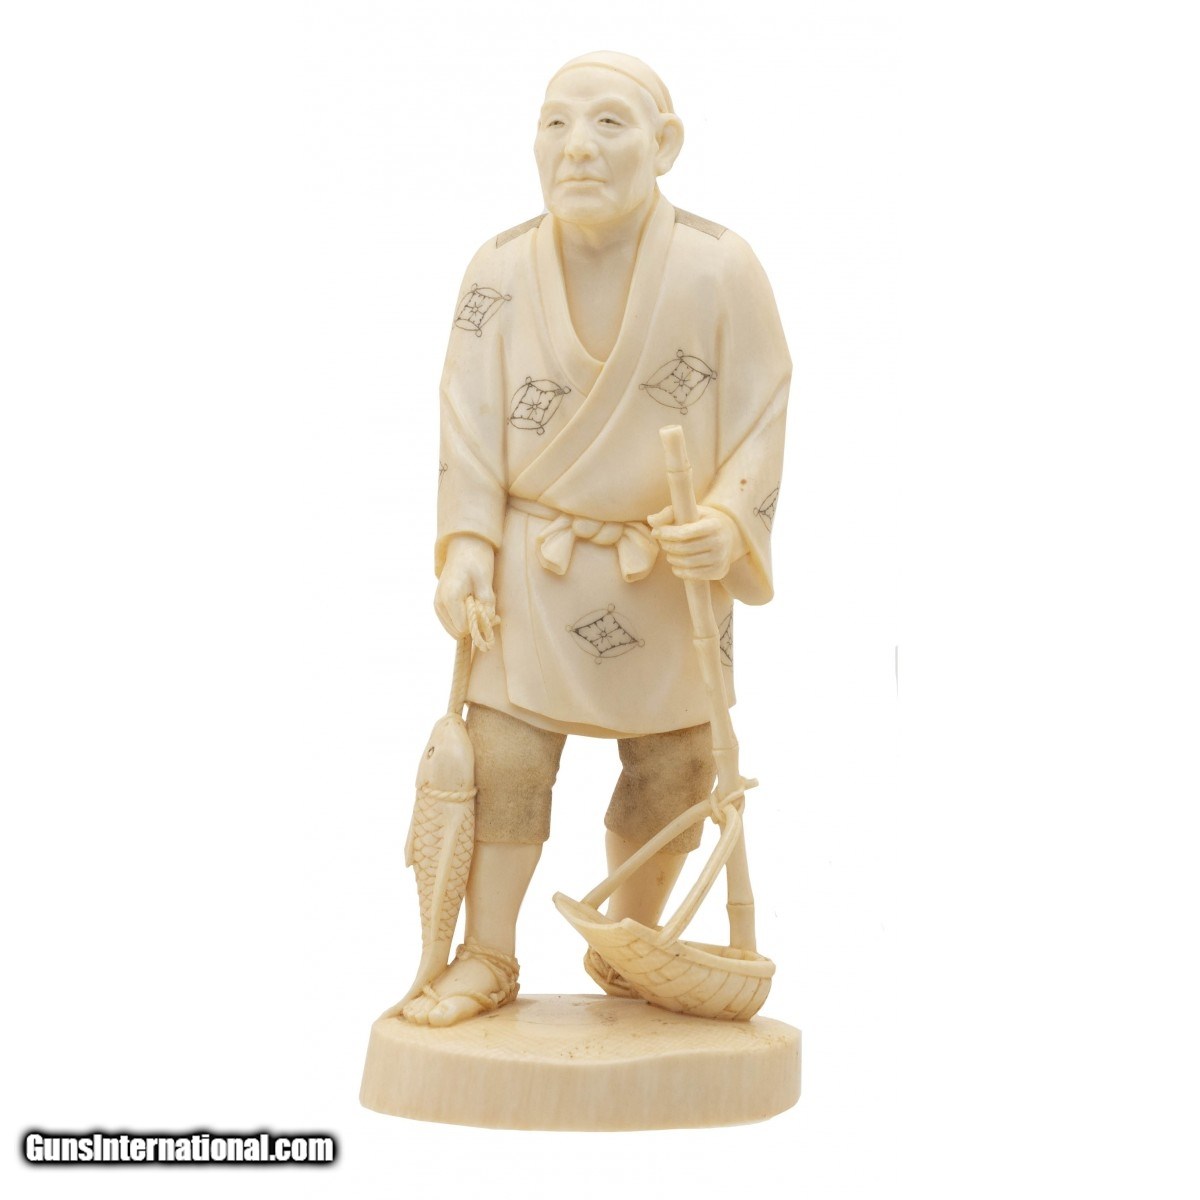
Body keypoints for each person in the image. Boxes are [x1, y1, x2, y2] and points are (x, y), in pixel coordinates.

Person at [401, 52, 790, 1026]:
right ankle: (488, 953)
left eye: (609, 123)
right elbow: (466, 422)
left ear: (665, 144)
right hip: (534, 569)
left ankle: (634, 941)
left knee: (676, 769)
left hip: (667, 573)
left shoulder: (719, 267)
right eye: (555, 124)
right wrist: (466, 547)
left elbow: (761, 407)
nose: (577, 147)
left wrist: (727, 522)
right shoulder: (497, 270)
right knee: (505, 761)